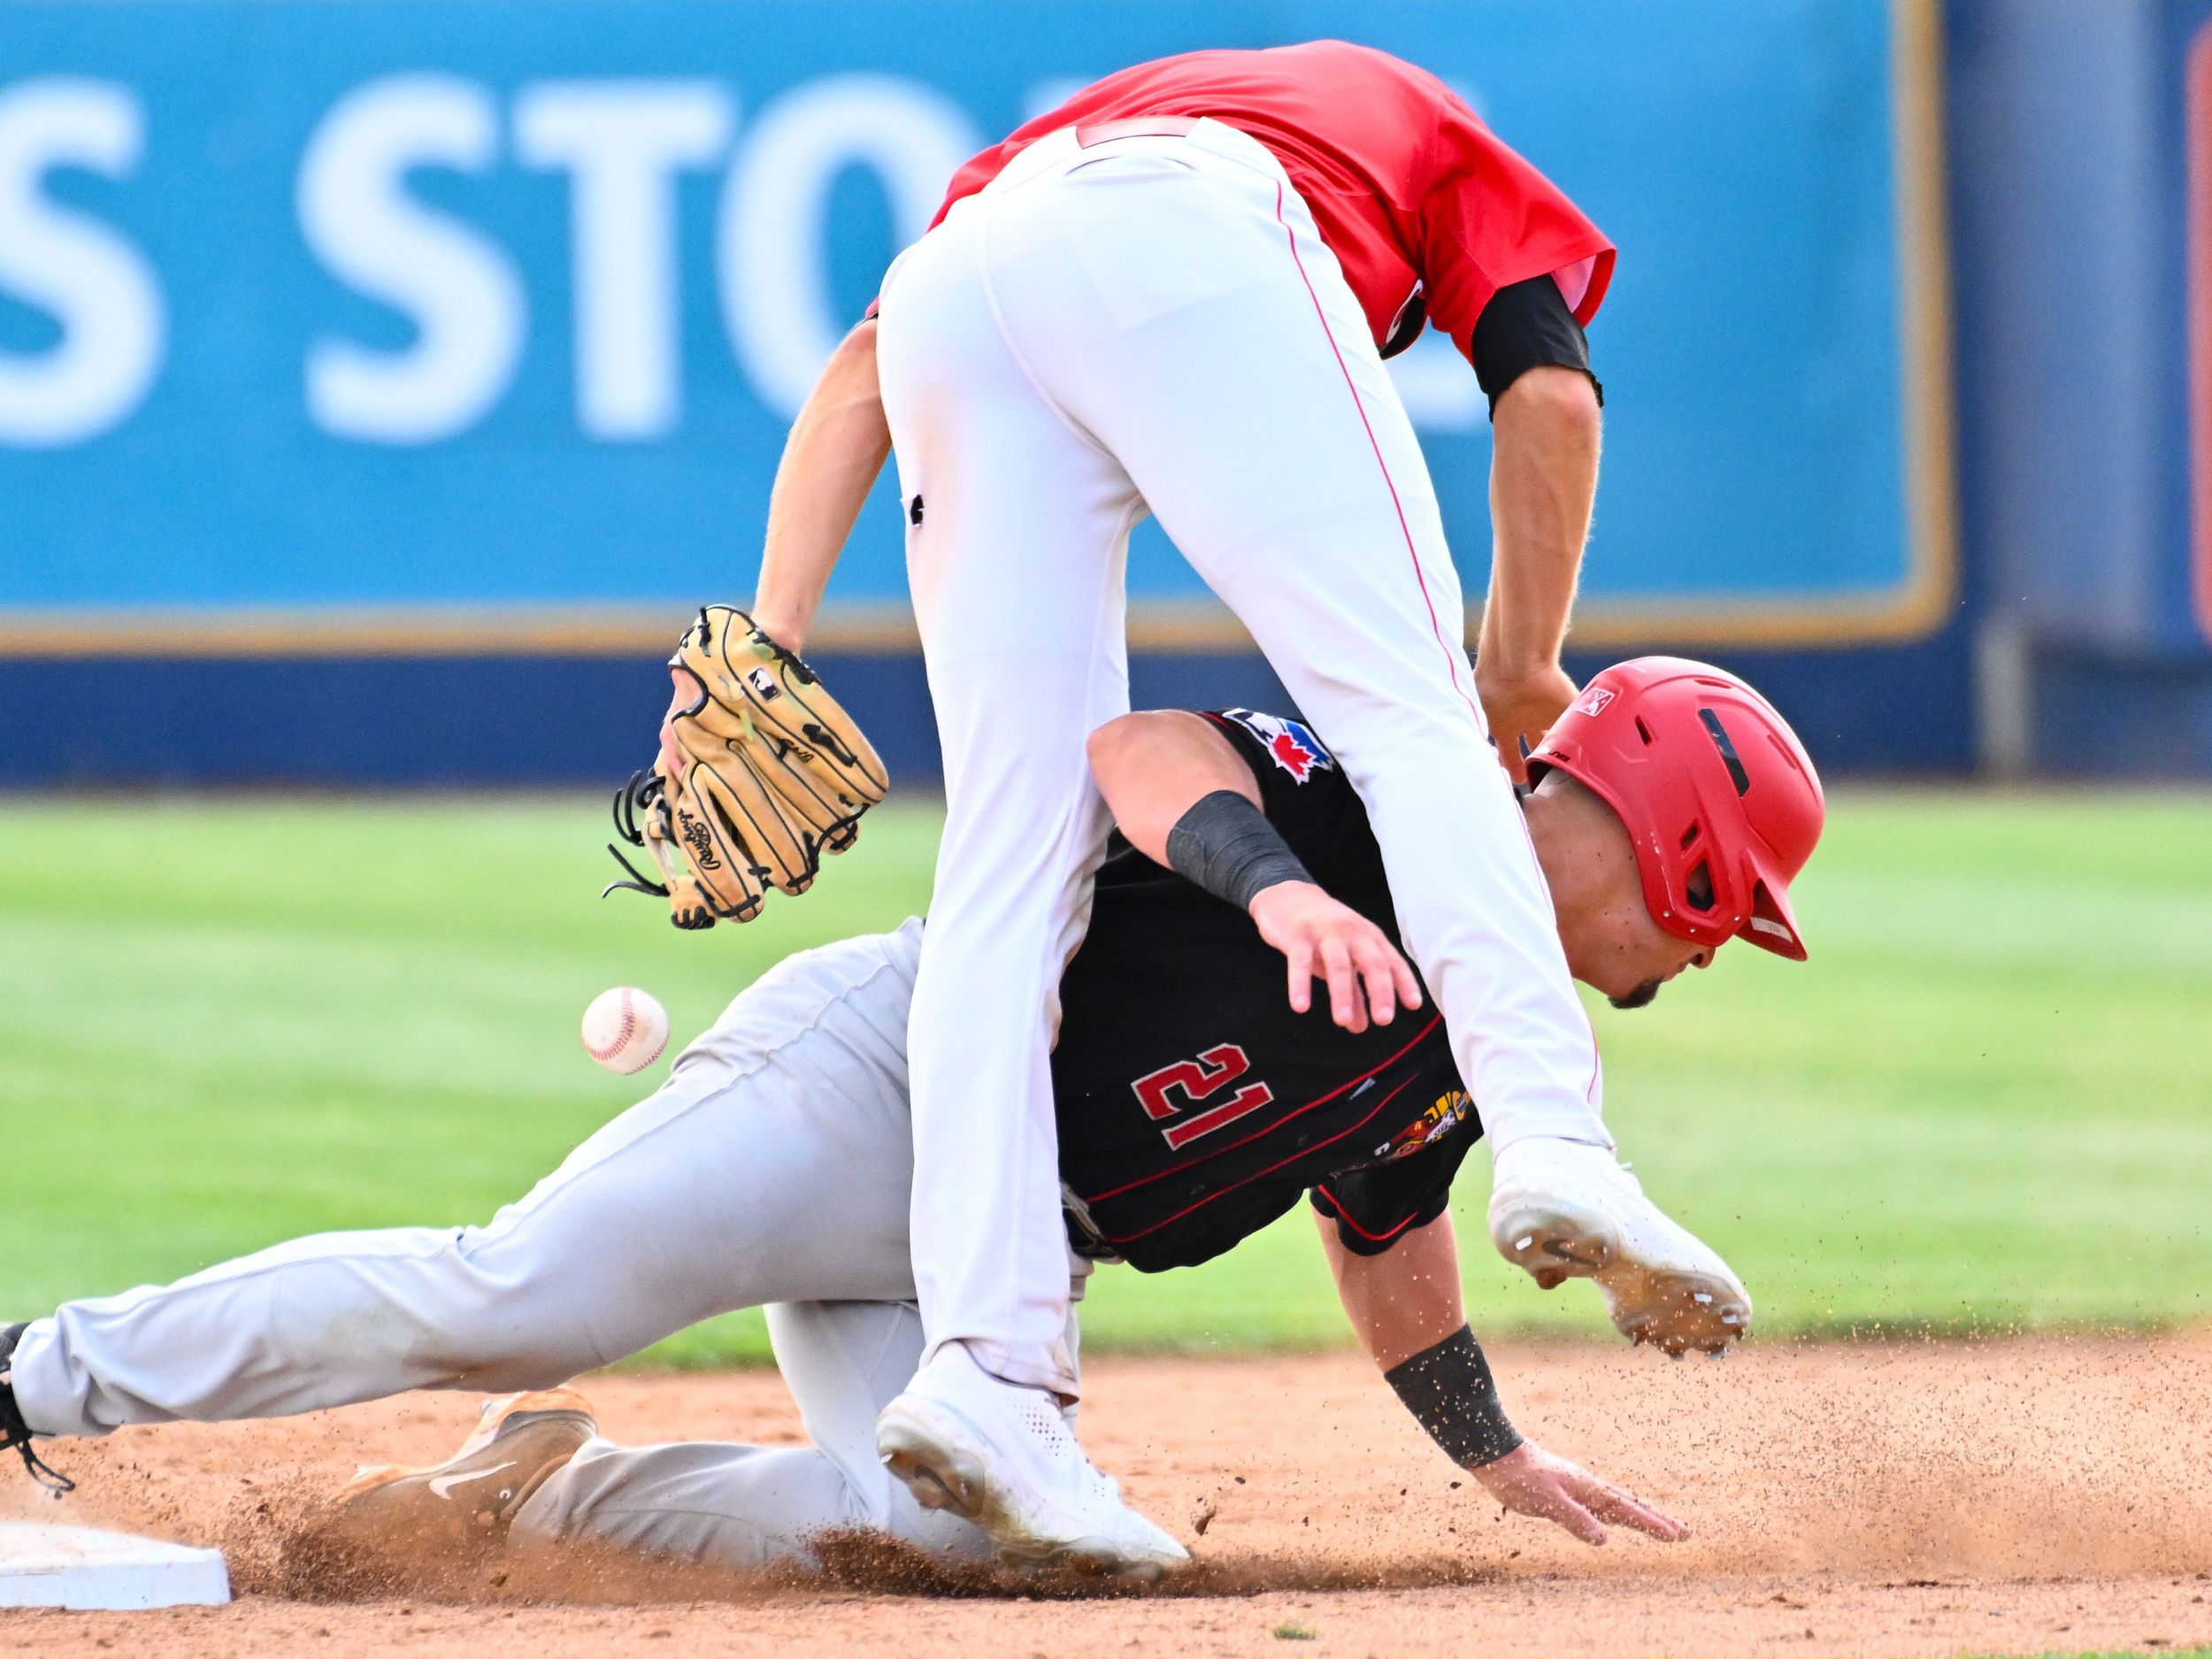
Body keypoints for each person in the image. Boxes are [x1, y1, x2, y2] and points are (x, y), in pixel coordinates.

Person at [3, 661, 1823, 1578]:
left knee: (944, 1533)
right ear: (1659, 838)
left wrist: (1488, 1450)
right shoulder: (1375, 814)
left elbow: (1388, 1237)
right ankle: (33, 1374)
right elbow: (1140, 748)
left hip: (986, 1250)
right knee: (518, 1290)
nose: (1706, 944)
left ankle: (546, 1490)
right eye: (1714, 900)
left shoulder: (1478, 1041)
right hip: (874, 1083)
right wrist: (1271, 890)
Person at [726, 37, 1787, 1568]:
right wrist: (1520, 668)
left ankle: (992, 1378)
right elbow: (1548, 392)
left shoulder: (1065, 140)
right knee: (1410, 711)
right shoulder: (1405, 117)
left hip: (958, 280)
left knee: (1008, 870)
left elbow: (854, 379)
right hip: (1197, 230)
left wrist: (771, 639)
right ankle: (1560, 1145)